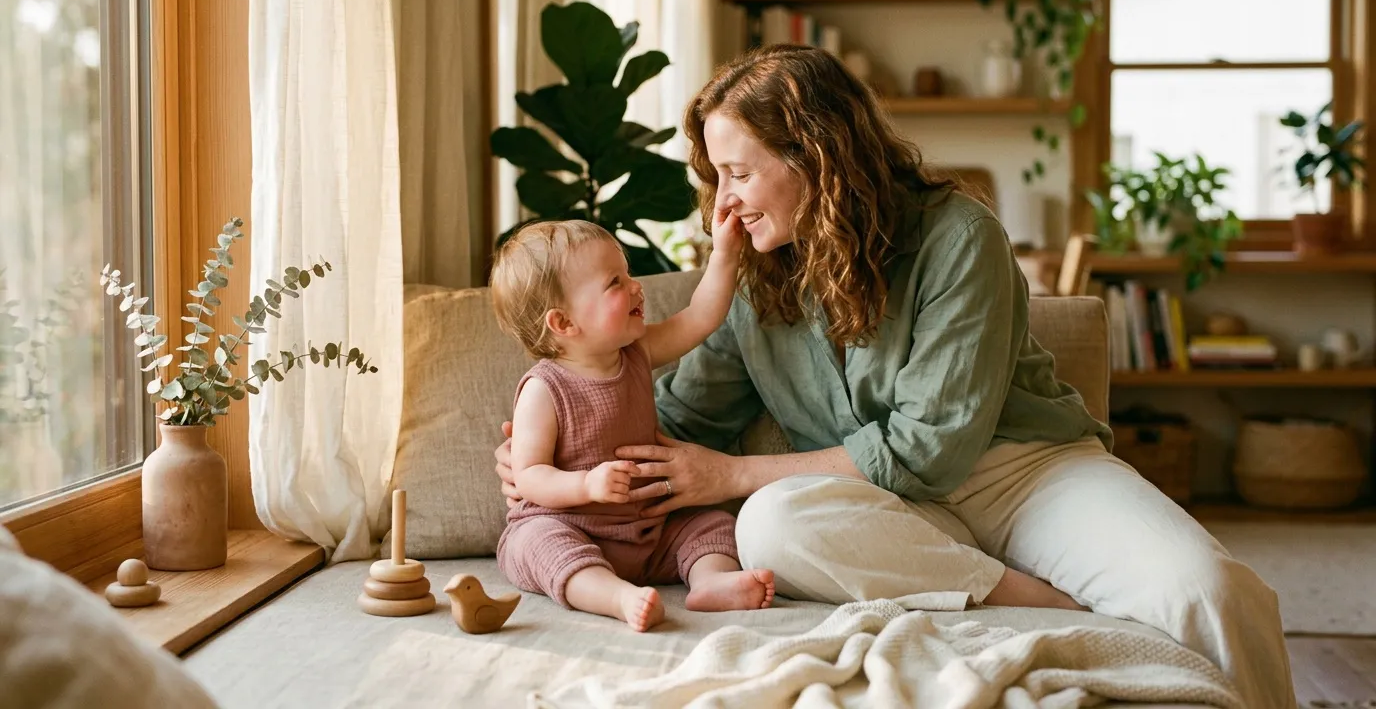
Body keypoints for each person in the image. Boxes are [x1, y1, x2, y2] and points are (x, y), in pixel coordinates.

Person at [493, 44, 1294, 706]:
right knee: (770, 524)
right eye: (715, 178)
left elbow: (934, 447)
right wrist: (552, 457)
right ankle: (1029, 598)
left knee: (1210, 591)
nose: (721, 204)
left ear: (813, 152)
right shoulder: (755, 276)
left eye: (736, 172)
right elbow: (678, 417)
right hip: (884, 512)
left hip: (1024, 475)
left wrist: (730, 471)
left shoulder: (958, 236)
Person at [488, 218, 774, 632]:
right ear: (564, 323)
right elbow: (528, 476)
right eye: (615, 283)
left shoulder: (636, 352)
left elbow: (699, 317)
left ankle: (710, 581)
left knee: (710, 523)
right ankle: (615, 596)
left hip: (647, 531)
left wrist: (726, 254)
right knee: (535, 543)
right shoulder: (544, 389)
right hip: (570, 527)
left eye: (628, 274)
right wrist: (586, 486)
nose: (636, 286)